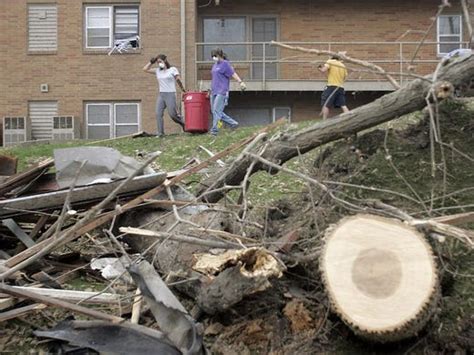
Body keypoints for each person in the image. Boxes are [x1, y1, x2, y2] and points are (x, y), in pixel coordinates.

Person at [143, 54, 186, 136]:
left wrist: (183, 89)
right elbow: (145, 69)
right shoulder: (158, 71)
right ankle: (160, 132)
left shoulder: (173, 69)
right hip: (161, 94)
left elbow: (178, 79)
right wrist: (151, 62)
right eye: (158, 62)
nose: (159, 64)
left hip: (170, 93)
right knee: (158, 113)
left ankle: (184, 124)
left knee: (173, 114)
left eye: (160, 61)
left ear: (165, 60)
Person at [209, 48, 247, 136]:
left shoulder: (225, 64)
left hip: (222, 90)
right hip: (214, 90)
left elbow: (233, 73)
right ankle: (233, 124)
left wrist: (240, 82)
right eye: (212, 56)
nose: (214, 58)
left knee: (217, 111)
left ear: (219, 55)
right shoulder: (215, 65)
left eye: (215, 56)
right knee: (215, 111)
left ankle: (215, 131)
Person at [318, 55, 350, 119]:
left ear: (332, 58)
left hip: (331, 87)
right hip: (340, 87)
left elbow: (323, 70)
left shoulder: (330, 62)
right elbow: (345, 78)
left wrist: (319, 68)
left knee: (325, 104)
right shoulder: (343, 65)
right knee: (343, 105)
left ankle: (324, 121)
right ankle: (349, 118)